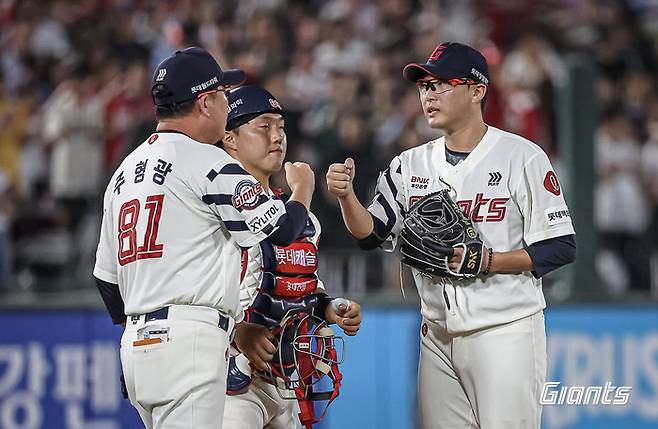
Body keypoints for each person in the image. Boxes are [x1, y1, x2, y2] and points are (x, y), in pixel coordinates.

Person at [326, 42, 577, 429]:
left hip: (504, 329)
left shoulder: (520, 156)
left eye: (442, 84)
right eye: (424, 86)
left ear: (477, 91)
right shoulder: (409, 164)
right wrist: (346, 198)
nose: (429, 95)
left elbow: (559, 246)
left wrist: (490, 260)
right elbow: (371, 234)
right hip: (436, 335)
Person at [93, 47, 315, 429]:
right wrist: (302, 193)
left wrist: (143, 331)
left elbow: (107, 282)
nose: (228, 104)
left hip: (136, 345)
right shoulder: (208, 162)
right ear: (204, 102)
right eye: (222, 95)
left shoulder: (123, 173)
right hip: (190, 341)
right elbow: (282, 231)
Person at [220, 85, 362, 429]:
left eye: (280, 127)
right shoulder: (216, 203)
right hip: (229, 377)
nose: (276, 137)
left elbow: (301, 288)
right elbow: (191, 291)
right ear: (231, 139)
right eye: (263, 126)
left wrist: (330, 307)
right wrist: (237, 330)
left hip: (283, 383)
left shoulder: (302, 217)